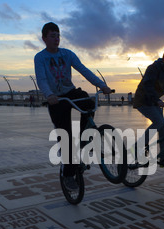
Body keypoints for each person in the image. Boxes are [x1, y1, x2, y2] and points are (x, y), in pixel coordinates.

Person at [34, 22, 112, 190]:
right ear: (44, 38)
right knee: (66, 138)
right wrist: (49, 95)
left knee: (89, 103)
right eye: (52, 35)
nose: (56, 39)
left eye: (58, 35)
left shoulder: (67, 54)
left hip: (69, 92)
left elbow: (84, 70)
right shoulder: (40, 57)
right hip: (55, 98)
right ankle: (68, 175)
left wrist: (102, 85)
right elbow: (42, 79)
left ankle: (85, 138)